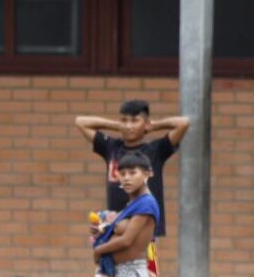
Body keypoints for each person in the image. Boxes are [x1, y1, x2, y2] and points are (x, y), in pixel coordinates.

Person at [76, 99, 190, 240]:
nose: (129, 126)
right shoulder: (111, 147)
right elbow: (81, 122)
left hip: (147, 230)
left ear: (145, 124)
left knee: (149, 262)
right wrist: (116, 125)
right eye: (124, 120)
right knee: (119, 261)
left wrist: (153, 126)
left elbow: (183, 123)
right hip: (116, 225)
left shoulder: (156, 150)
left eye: (135, 121)